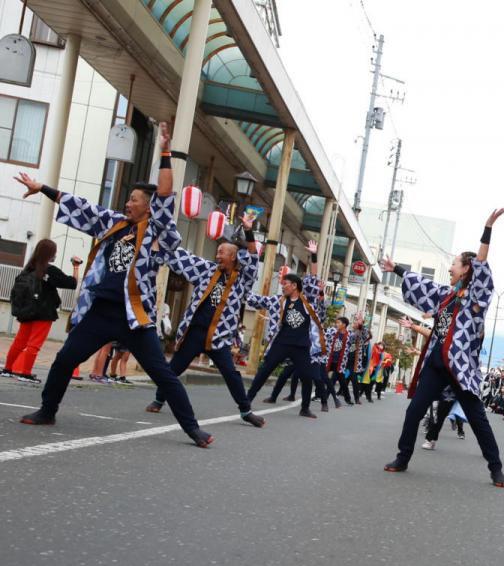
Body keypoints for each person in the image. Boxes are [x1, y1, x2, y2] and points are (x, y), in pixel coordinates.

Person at [13, 123, 213, 447]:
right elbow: (82, 208)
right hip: (101, 312)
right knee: (65, 359)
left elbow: (164, 194)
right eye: (129, 199)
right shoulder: (114, 224)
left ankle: (193, 429)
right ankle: (47, 411)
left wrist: (165, 153)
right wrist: (44, 189)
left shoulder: (157, 231)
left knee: (162, 374)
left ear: (148, 206)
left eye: (134, 200)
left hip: (135, 316)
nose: (128, 203)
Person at [380, 209, 504, 488]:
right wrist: (397, 270)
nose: (450, 268)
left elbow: (482, 263)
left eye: (454, 264)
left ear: (466, 270)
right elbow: (422, 285)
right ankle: (403, 458)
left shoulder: (476, 298)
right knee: (414, 411)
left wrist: (487, 228)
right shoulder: (446, 297)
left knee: (477, 418)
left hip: (461, 368)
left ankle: (496, 468)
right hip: (437, 365)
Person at [144, 212, 265, 427]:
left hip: (219, 335)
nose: (218, 256)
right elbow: (181, 257)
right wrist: (158, 237)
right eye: (217, 252)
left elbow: (253, 257)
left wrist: (248, 230)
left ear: (233, 257)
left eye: (222, 253)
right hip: (196, 331)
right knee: (174, 369)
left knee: (231, 374)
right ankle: (159, 399)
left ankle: (245, 411)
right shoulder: (207, 270)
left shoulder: (243, 280)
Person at [244, 272, 327, 419]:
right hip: (281, 342)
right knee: (265, 370)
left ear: (294, 286)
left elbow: (313, 279)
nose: (283, 287)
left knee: (307, 377)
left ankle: (305, 408)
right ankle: (247, 400)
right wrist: (242, 289)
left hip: (301, 346)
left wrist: (314, 256)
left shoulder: (307, 301)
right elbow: (258, 300)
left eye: (285, 284)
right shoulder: (279, 301)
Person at [3, 240, 78, 382]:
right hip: (44, 313)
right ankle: (25, 373)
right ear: (50, 254)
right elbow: (72, 284)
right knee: (34, 344)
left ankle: (7, 369)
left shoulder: (29, 269)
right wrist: (75, 267)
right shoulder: (50, 270)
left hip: (26, 312)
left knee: (20, 341)